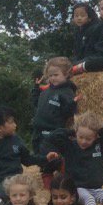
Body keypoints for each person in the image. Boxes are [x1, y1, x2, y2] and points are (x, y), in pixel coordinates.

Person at [30, 56, 78, 187]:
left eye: (56, 75)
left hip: (52, 130)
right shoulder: (47, 90)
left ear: (67, 74)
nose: (52, 78)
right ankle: (48, 180)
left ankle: (66, 176)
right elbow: (36, 103)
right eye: (50, 75)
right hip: (38, 130)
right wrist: (36, 88)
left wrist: (72, 104)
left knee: (50, 155)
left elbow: (67, 113)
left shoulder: (67, 91)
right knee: (39, 156)